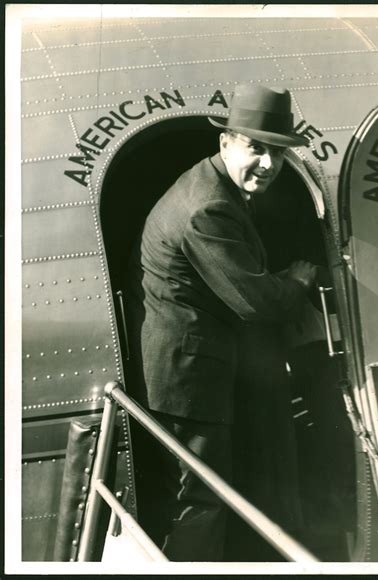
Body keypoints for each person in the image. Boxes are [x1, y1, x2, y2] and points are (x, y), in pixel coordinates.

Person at [125, 84, 319, 561]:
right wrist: (297, 280)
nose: (269, 165)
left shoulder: (213, 186)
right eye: (257, 148)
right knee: (201, 501)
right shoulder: (208, 207)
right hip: (188, 379)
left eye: (277, 153)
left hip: (191, 366)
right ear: (226, 142)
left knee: (202, 496)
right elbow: (258, 304)